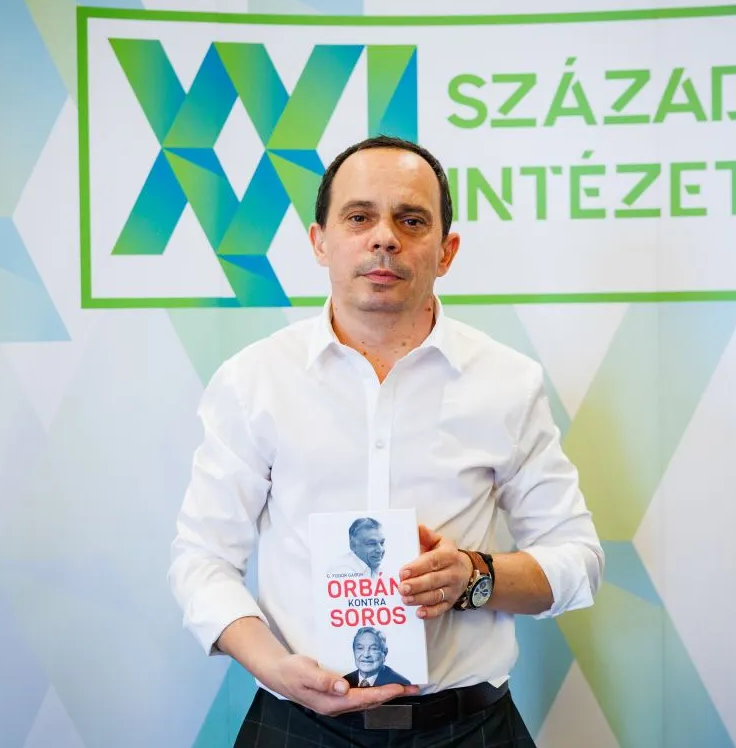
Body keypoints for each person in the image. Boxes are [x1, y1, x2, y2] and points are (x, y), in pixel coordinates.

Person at [168, 135, 604, 747]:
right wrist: (273, 667)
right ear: (320, 242)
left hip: (469, 729)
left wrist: (473, 576)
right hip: (298, 724)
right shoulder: (254, 380)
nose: (384, 238)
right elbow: (201, 559)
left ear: (446, 251)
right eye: (359, 217)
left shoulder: (507, 382)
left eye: (411, 220)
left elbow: (577, 559)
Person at [344, 627, 411, 688]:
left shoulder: (401, 684)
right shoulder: (345, 681)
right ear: (354, 651)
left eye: (373, 648)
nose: (366, 655)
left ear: (385, 652)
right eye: (360, 648)